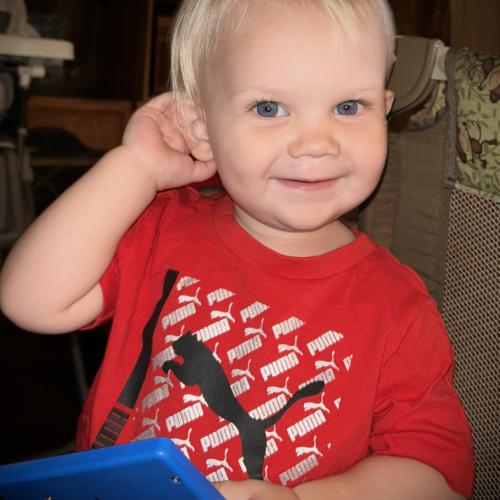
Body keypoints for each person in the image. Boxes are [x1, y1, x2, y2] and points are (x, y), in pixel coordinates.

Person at [0, 0, 474, 498]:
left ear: (384, 107)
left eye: (349, 107)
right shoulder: (161, 226)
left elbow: (436, 477)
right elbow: (29, 301)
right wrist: (135, 166)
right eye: (269, 108)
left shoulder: (397, 304)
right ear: (202, 129)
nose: (317, 142)